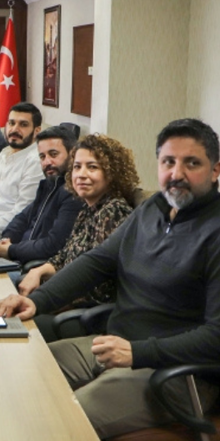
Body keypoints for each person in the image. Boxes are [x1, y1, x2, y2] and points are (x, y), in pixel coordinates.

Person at [0, 119, 220, 439]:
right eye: (168, 162)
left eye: (192, 163)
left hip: (176, 376)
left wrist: (137, 353)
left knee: (58, 424)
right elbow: (98, 262)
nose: (177, 174)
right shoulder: (153, 209)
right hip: (114, 347)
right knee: (13, 374)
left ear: (215, 170)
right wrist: (36, 301)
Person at [16, 134, 139, 342]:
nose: (81, 175)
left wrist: (52, 298)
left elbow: (100, 285)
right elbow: (65, 255)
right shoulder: (87, 209)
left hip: (90, 315)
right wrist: (39, 271)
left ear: (112, 173)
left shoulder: (114, 211)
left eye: (92, 167)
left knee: (18, 326)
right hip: (65, 299)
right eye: (77, 167)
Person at [0, 126, 83, 268]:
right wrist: (6, 240)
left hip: (35, 269)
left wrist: (11, 250)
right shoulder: (48, 184)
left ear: (72, 155)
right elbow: (22, 218)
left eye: (53, 154)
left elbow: (53, 245)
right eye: (42, 157)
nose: (47, 162)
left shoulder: (73, 193)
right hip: (18, 258)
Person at [0, 102, 44, 240]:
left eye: (23, 125)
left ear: (37, 131)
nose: (14, 129)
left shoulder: (35, 161)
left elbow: (21, 212)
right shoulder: (4, 153)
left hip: (8, 238)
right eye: (11, 123)